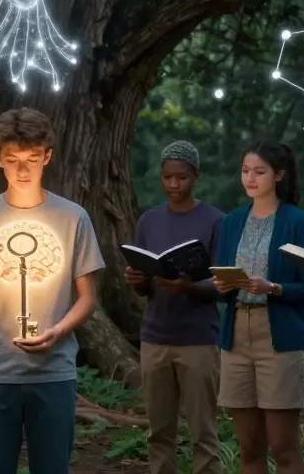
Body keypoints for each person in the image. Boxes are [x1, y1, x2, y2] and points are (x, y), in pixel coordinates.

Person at [0, 108, 105, 474]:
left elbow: (88, 297)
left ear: (47, 156)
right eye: (13, 159)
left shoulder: (73, 217)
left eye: (32, 159)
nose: (22, 169)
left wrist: (58, 332)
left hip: (54, 371)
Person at [211, 141, 304, 474]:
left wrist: (274, 288)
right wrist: (222, 286)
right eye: (245, 171)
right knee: (248, 446)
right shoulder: (232, 221)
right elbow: (220, 278)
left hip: (279, 337)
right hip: (236, 334)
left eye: (259, 171)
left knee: (283, 447)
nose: (250, 178)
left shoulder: (297, 221)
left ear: (279, 175)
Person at [123, 141, 224, 474]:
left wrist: (189, 286)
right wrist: (136, 277)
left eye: (181, 177)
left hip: (198, 339)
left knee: (203, 432)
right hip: (156, 337)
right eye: (167, 178)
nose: (174, 185)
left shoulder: (214, 221)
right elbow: (142, 289)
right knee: (159, 430)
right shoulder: (150, 220)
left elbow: (224, 284)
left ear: (195, 176)